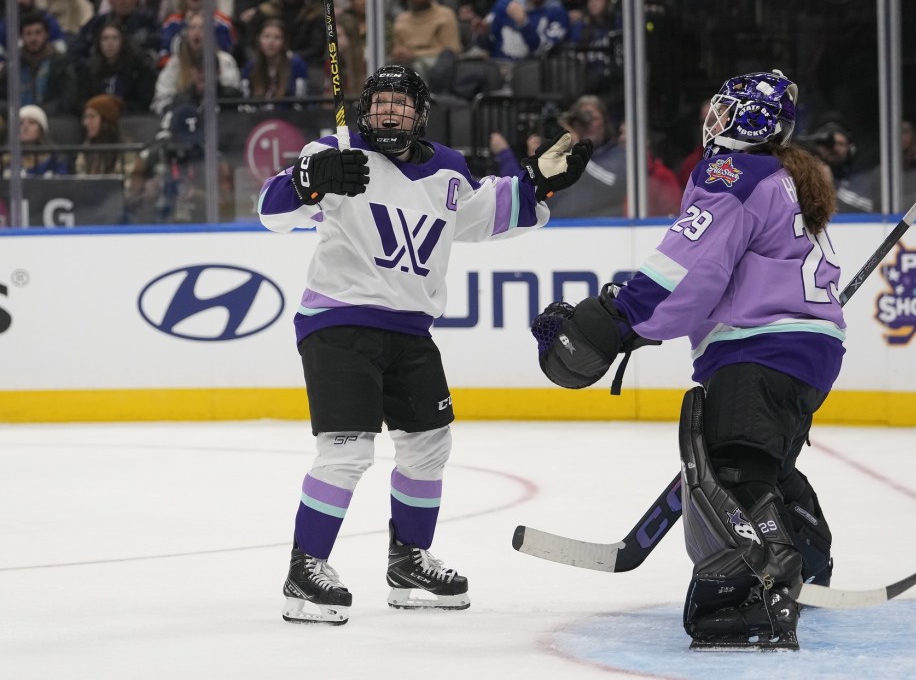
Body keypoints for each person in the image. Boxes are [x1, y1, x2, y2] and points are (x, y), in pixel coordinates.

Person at [256, 64, 592, 625]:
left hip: (411, 332)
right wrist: (307, 180)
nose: (391, 113)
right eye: (381, 103)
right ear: (366, 110)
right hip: (339, 324)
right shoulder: (338, 153)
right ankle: (305, 568)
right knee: (346, 450)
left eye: (402, 105)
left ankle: (408, 560)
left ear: (420, 116)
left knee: (429, 446)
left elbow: (488, 214)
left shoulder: (448, 170)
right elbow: (272, 212)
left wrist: (537, 181)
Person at [530, 70, 842, 650]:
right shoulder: (785, 176)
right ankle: (809, 564)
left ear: (751, 121)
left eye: (726, 111)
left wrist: (619, 317)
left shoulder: (734, 171)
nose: (713, 121)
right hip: (811, 351)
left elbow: (686, 269)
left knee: (732, 472)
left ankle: (757, 598)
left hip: (760, 349)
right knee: (761, 462)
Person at [545, 93, 626, 217]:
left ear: (604, 122)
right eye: (581, 120)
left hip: (607, 228)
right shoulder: (563, 159)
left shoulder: (619, 154)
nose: (588, 124)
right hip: (562, 229)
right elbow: (543, 198)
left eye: (592, 118)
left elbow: (613, 183)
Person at [150, 12, 241, 114]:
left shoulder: (225, 61)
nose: (196, 32)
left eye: (202, 28)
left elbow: (231, 95)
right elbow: (162, 99)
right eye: (192, 28)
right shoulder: (175, 63)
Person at [0, 9, 79, 116]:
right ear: (21, 37)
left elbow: (67, 100)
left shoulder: (60, 63)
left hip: (51, 119)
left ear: (46, 35)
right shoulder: (13, 65)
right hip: (17, 118)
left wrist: (37, 113)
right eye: (28, 34)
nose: (33, 38)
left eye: (38, 33)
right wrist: (15, 110)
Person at [79, 19, 158, 114]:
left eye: (115, 38)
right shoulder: (89, 70)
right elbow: (81, 101)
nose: (110, 43)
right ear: (99, 43)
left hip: (130, 119)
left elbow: (143, 101)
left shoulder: (137, 69)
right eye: (105, 38)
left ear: (122, 42)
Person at [389, 0, 462, 88]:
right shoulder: (401, 19)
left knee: (417, 67)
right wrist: (398, 52)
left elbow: (452, 49)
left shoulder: (445, 15)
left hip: (435, 63)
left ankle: (426, 98)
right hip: (405, 62)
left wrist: (414, 54)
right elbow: (397, 47)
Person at [239, 18, 309, 105]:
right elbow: (245, 102)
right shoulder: (250, 66)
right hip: (257, 116)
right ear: (259, 40)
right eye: (266, 36)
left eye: (277, 37)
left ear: (284, 42)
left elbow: (301, 101)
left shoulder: (297, 64)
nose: (271, 42)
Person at [4, 105, 70, 177]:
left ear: (41, 129)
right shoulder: (6, 159)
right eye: (21, 123)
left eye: (32, 123)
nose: (25, 127)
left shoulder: (55, 159)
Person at [75, 93, 131, 175]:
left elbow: (126, 183)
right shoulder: (86, 148)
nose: (86, 123)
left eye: (92, 117)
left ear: (106, 121)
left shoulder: (127, 149)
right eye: (86, 117)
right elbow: (80, 179)